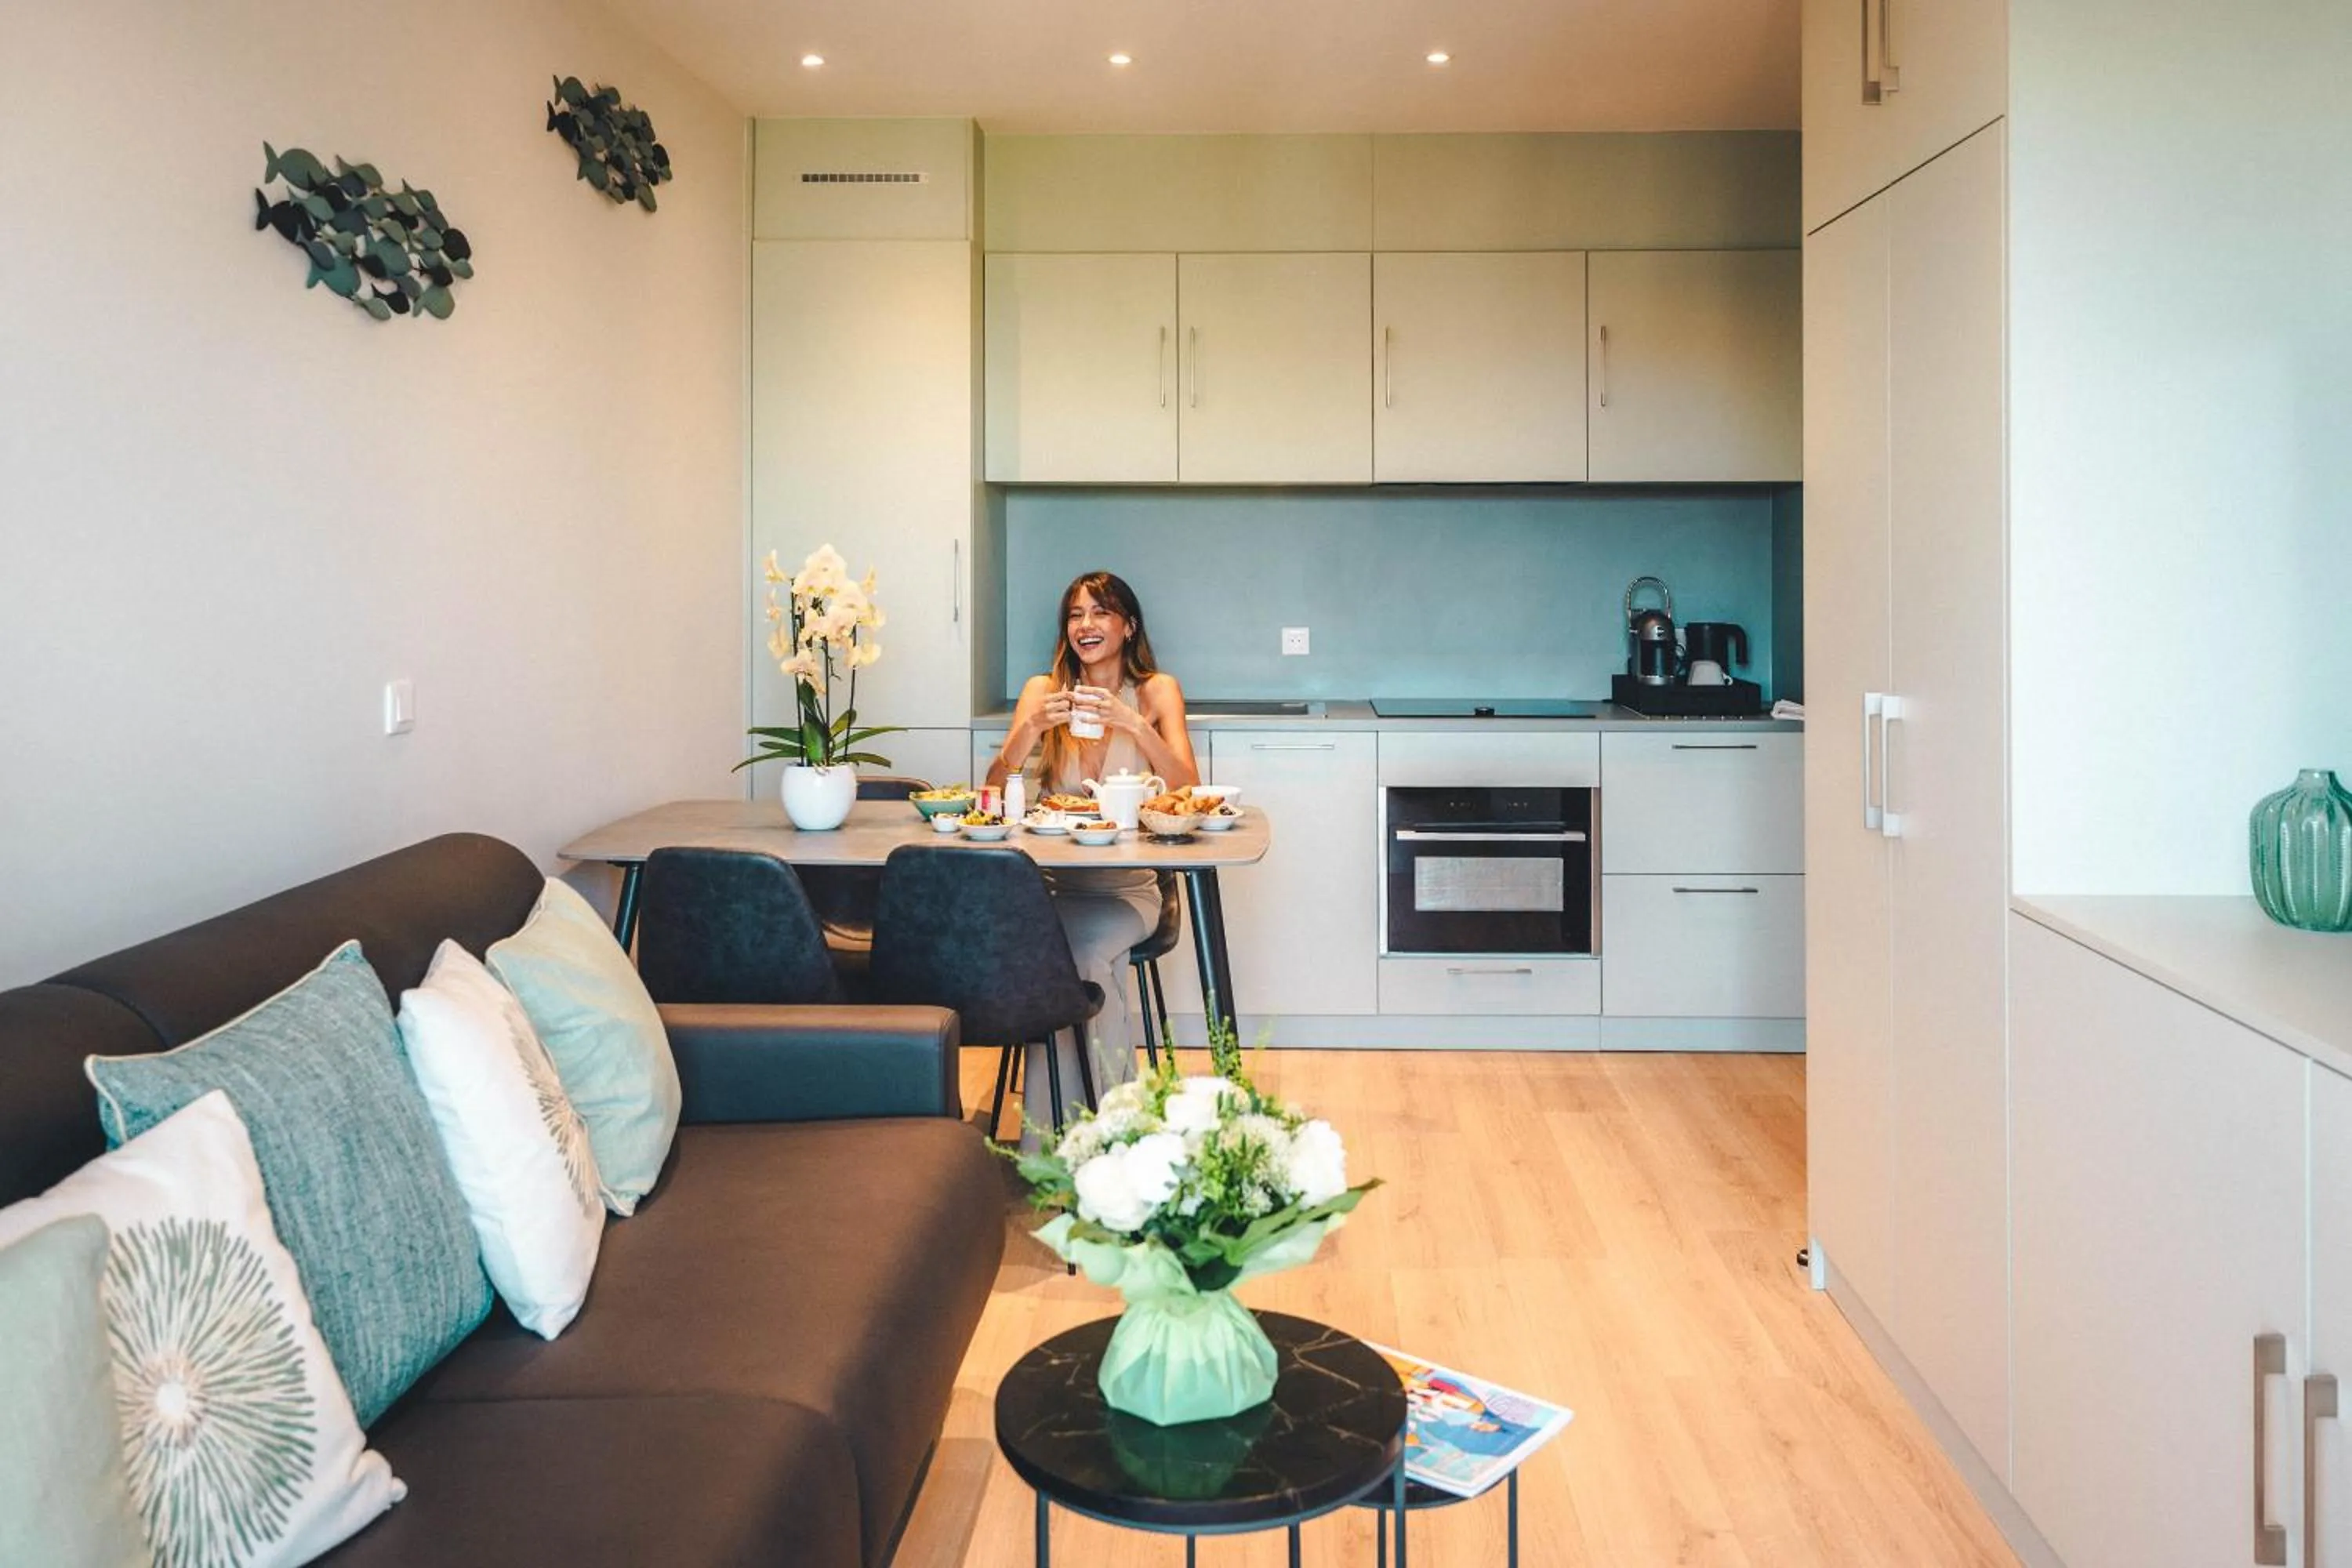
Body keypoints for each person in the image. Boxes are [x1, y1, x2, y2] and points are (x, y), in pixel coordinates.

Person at [985, 571, 1199, 1135]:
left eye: (1101, 613)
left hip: (1127, 887)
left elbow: (1188, 787)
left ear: (1128, 627)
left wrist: (1135, 725)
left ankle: (1092, 1138)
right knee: (1068, 957)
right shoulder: (1043, 692)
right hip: (1051, 887)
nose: (1087, 625)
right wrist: (1028, 729)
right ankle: (1106, 1133)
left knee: (1078, 957)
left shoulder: (1156, 692)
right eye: (1076, 615)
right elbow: (991, 788)